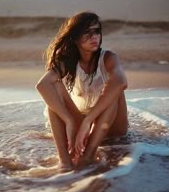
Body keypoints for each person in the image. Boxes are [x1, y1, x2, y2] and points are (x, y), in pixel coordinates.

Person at [36, 11, 128, 172]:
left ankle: (88, 157)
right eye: (87, 32)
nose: (94, 37)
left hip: (112, 127)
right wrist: (69, 121)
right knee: (54, 90)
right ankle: (65, 161)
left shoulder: (108, 58)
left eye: (97, 31)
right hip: (85, 124)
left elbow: (121, 82)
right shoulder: (67, 61)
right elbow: (42, 85)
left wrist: (88, 121)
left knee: (114, 90)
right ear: (75, 37)